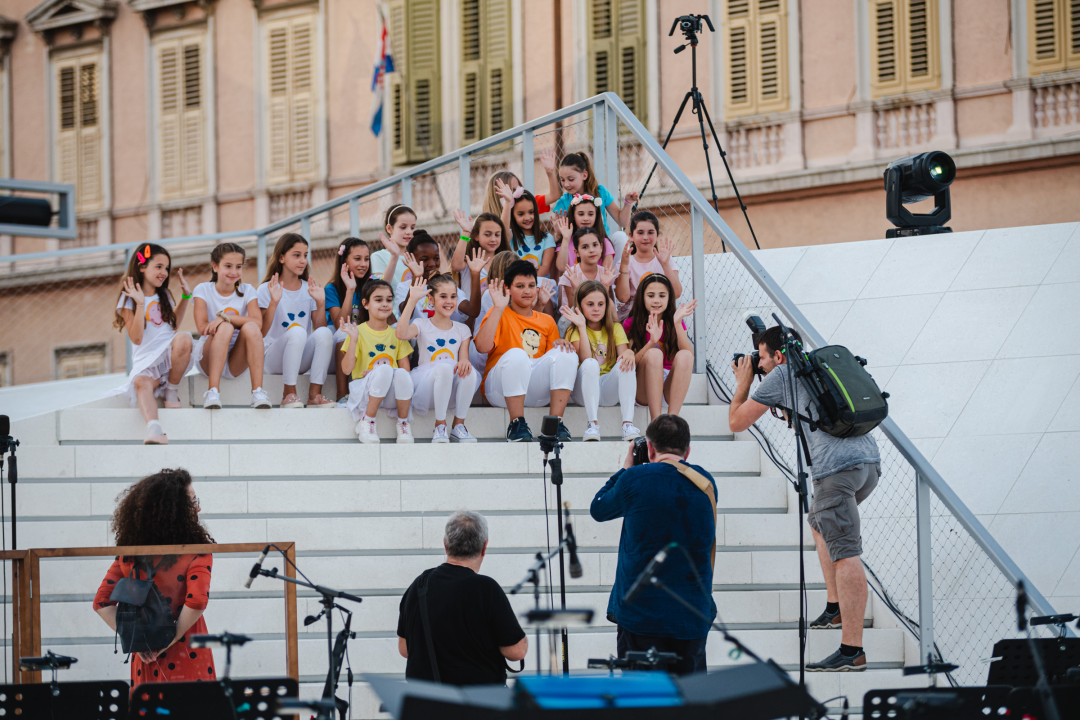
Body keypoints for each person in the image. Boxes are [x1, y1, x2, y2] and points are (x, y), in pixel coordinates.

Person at [727, 325, 881, 672]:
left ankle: (852, 650)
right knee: (818, 523)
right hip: (868, 464)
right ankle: (835, 605)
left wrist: (744, 384)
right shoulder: (817, 367)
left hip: (836, 472)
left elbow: (737, 422)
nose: (760, 365)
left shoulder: (782, 372)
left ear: (778, 355)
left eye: (762, 358)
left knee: (846, 553)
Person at [590, 415, 716, 675]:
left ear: (649, 448)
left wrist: (625, 468)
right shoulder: (706, 483)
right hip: (691, 616)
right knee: (689, 704)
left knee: (643, 705)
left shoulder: (635, 478)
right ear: (688, 450)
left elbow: (599, 508)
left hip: (641, 617)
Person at [93, 468, 216, 685]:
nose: (199, 506)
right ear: (176, 511)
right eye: (193, 501)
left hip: (146, 659)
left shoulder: (131, 555)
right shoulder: (196, 552)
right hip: (189, 654)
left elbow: (102, 602)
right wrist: (170, 639)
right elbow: (196, 601)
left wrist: (140, 641)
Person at [397, 511, 528, 685]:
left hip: (427, 705)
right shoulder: (486, 589)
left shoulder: (419, 585)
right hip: (478, 706)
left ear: (445, 545)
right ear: (484, 547)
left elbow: (405, 649)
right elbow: (516, 652)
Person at [474, 260, 578, 442]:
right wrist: (498, 307)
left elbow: (552, 362)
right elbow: (482, 347)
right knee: (517, 354)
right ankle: (517, 424)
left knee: (566, 352)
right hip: (499, 390)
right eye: (520, 286)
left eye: (531, 286)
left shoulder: (546, 321)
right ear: (507, 289)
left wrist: (560, 345)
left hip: (534, 389)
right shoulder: (498, 312)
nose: (528, 291)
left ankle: (554, 424)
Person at [107, 243, 193, 445]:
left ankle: (171, 390)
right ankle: (155, 431)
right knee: (140, 382)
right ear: (142, 266)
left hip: (169, 356)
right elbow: (136, 338)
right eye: (159, 266)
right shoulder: (128, 299)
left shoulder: (164, 295)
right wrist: (140, 303)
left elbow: (173, 326)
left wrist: (185, 297)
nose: (164, 272)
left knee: (184, 338)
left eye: (166, 268)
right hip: (147, 361)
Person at [396, 275, 480, 443]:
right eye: (443, 296)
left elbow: (463, 359)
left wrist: (464, 361)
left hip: (449, 385)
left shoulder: (462, 329)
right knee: (444, 368)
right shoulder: (421, 324)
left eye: (453, 296)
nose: (449, 301)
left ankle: (458, 425)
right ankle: (440, 425)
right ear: (431, 299)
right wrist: (412, 300)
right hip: (427, 382)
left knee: (469, 371)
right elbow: (401, 333)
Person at [257, 233, 335, 408]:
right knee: (298, 331)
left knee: (325, 332)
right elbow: (260, 332)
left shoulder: (309, 289)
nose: (303, 260)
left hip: (299, 357)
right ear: (282, 257)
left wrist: (320, 303)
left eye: (305, 255)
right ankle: (289, 393)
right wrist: (273, 303)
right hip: (272, 359)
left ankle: (315, 395)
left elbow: (321, 333)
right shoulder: (265, 289)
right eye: (297, 255)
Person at [192, 243, 270, 409]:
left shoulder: (247, 290)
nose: (234, 272)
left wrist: (225, 318)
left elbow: (257, 322)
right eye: (228, 266)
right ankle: (213, 391)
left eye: (238, 267)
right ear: (215, 266)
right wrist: (225, 323)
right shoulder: (203, 289)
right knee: (226, 327)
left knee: (250, 327)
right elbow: (202, 328)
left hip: (237, 360)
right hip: (208, 356)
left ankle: (257, 392)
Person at [562, 280, 640, 442]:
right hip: (582, 392)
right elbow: (585, 359)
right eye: (590, 304)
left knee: (626, 363)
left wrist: (630, 354)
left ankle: (627, 425)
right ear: (580, 306)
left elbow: (623, 357)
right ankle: (592, 425)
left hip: (607, 389)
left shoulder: (616, 328)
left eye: (600, 304)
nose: (596, 308)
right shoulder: (574, 330)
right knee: (590, 364)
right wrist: (582, 327)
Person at [340, 280, 415, 444]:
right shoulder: (357, 331)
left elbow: (405, 372)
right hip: (364, 392)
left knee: (399, 373)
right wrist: (353, 340)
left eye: (389, 300)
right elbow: (346, 370)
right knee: (385, 370)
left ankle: (403, 424)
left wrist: (378, 372)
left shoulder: (397, 334)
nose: (385, 304)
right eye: (379, 300)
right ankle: (367, 421)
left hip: (389, 393)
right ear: (365, 304)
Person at [623, 273, 697, 418]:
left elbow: (689, 357)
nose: (656, 300)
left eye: (662, 296)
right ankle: (655, 422)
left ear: (669, 298)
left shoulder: (676, 322)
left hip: (669, 387)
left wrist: (677, 323)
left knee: (685, 355)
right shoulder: (632, 323)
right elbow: (632, 361)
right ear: (642, 297)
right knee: (654, 354)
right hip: (643, 386)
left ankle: (671, 420)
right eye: (650, 296)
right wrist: (651, 343)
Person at [542, 148, 634, 260]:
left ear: (584, 175)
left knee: (620, 236)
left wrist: (627, 203)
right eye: (562, 180)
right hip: (580, 251)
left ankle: (617, 275)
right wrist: (558, 233)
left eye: (571, 179)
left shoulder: (600, 192)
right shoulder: (563, 201)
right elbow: (564, 238)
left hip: (602, 247)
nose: (566, 184)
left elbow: (622, 221)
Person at [325, 238, 373, 407]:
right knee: (344, 331)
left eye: (366, 259)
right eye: (357, 258)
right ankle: (342, 394)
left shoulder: (371, 286)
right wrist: (350, 290)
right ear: (344, 261)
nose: (363, 264)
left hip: (364, 345)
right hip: (338, 350)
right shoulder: (331, 289)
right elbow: (341, 324)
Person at [614, 211, 683, 320]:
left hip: (660, 311)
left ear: (657, 235)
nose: (645, 237)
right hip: (634, 314)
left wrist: (665, 264)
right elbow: (623, 297)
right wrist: (624, 266)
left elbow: (677, 293)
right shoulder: (626, 262)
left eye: (650, 232)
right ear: (631, 236)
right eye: (640, 232)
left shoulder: (665, 260)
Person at [370, 204, 417, 288]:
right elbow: (380, 288)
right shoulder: (378, 257)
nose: (409, 232)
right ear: (389, 229)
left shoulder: (414, 256)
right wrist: (395, 256)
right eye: (403, 227)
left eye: (412, 227)